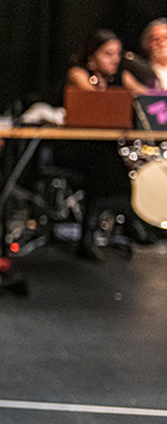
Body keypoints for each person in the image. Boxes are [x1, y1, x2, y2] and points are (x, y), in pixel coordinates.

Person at [60, 29, 148, 258]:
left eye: (118, 54)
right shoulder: (78, 74)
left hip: (104, 150)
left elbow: (148, 95)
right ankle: (130, 221)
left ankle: (88, 236)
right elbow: (98, 102)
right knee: (107, 166)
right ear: (92, 56)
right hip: (73, 147)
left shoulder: (122, 76)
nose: (115, 60)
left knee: (106, 168)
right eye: (108, 54)